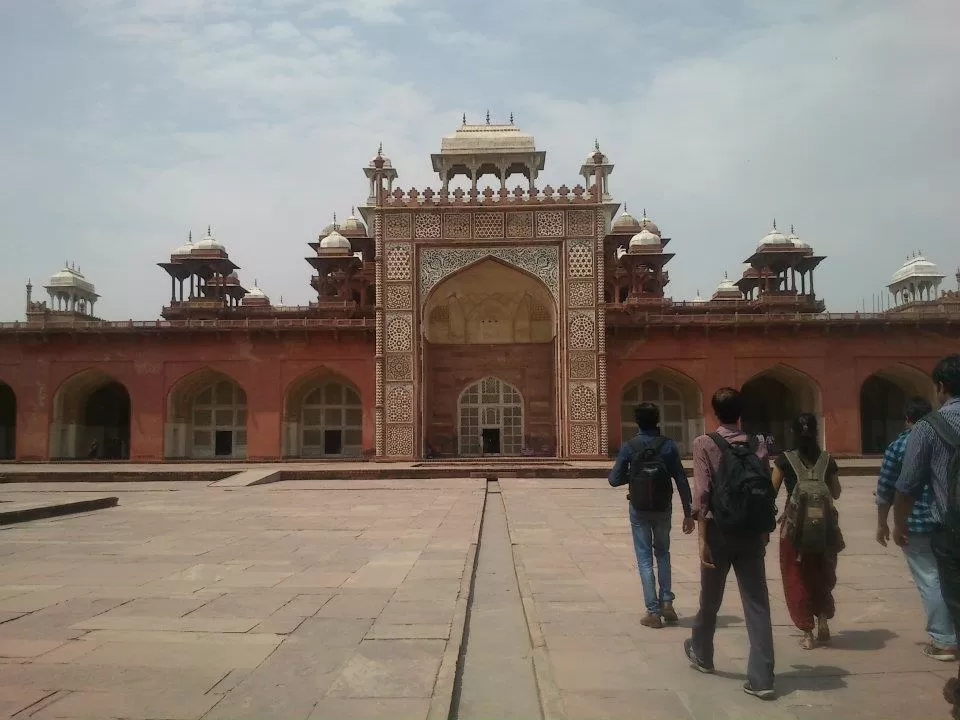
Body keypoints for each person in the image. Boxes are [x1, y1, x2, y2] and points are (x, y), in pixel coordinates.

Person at [684, 387, 777, 700]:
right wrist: (763, 530)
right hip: (750, 531)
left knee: (710, 599)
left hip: (719, 531)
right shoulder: (757, 443)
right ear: (740, 413)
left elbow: (702, 493)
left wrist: (701, 539)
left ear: (714, 412)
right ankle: (762, 678)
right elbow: (765, 488)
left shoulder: (704, 443)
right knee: (757, 604)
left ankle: (702, 652)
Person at [894, 354, 960, 718]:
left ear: (941, 387)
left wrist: (899, 524)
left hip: (952, 531)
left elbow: (907, 485)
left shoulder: (928, 427)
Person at [877, 396, 957, 661]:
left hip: (917, 523)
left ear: (907, 419)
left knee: (930, 578)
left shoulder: (900, 444)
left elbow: (889, 488)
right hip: (948, 519)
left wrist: (886, 523)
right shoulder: (948, 433)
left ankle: (944, 640)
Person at [609, 402, 695, 628]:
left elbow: (613, 480)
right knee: (663, 553)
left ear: (636, 421)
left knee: (645, 558)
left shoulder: (630, 446)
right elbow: (681, 479)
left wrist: (634, 475)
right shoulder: (668, 445)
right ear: (658, 420)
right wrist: (688, 513)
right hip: (663, 507)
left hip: (639, 509)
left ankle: (653, 612)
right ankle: (667, 602)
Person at [772, 413, 842, 650]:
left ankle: (807, 632)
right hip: (824, 529)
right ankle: (822, 620)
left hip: (794, 530)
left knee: (796, 576)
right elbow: (836, 492)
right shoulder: (827, 460)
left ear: (793, 432)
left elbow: (771, 491)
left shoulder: (784, 460)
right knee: (821, 574)